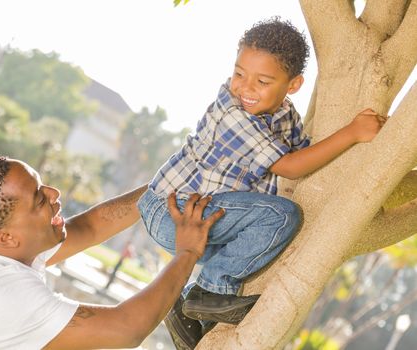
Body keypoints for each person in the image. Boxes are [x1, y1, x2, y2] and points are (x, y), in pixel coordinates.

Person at [137, 17, 386, 348]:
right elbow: (291, 167)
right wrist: (352, 133)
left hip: (209, 217)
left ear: (292, 85)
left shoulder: (285, 115)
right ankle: (208, 291)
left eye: (262, 81)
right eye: (239, 73)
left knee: (259, 242)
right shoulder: (233, 112)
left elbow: (308, 154)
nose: (245, 88)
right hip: (175, 212)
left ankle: (184, 308)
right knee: (281, 216)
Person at [0, 156, 224, 350]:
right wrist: (187, 251)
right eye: (39, 199)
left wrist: (172, 183)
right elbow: (126, 330)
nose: (54, 194)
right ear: (6, 237)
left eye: (42, 185)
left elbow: (90, 227)